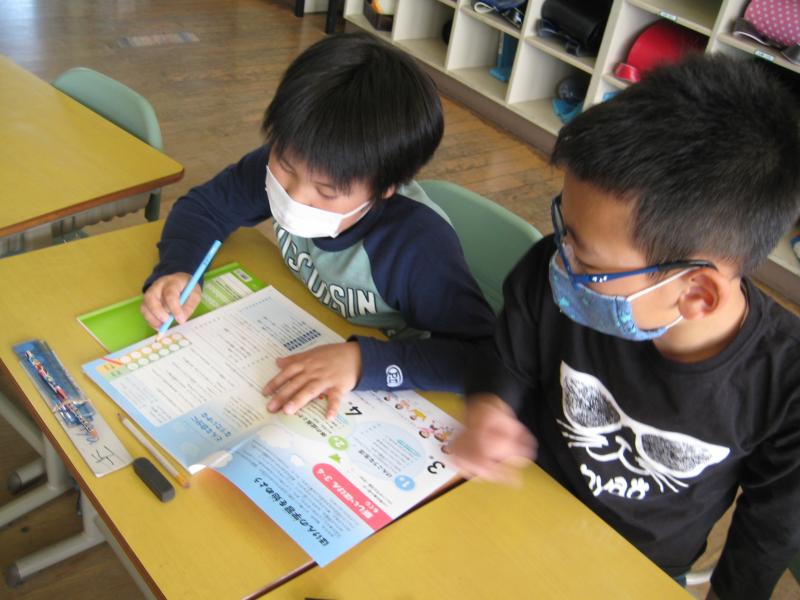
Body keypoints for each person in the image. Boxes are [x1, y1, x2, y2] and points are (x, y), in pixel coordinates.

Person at [451, 54, 800, 600]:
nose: (562, 259)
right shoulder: (557, 273)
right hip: (521, 499)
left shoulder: (785, 383)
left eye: (587, 260)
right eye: (565, 229)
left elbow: (766, 536)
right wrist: (493, 408)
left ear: (697, 293)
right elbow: (508, 356)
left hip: (631, 569)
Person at [140, 33, 495, 420]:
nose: (295, 195)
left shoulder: (418, 245)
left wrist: (362, 361)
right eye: (285, 166)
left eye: (327, 192)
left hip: (396, 380)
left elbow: (485, 358)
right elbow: (204, 208)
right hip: (305, 326)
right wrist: (180, 268)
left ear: (384, 189)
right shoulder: (295, 159)